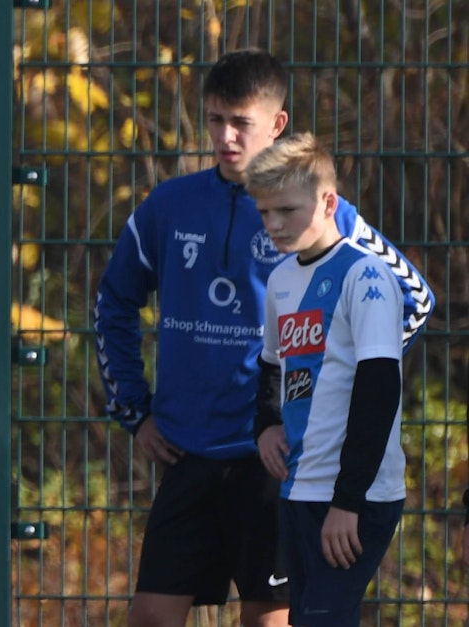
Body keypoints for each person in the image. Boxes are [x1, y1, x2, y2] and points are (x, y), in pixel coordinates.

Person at [93, 49, 430, 627]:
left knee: (269, 618)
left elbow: (414, 300)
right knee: (149, 614)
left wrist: (327, 390)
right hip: (187, 448)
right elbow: (113, 303)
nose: (225, 136)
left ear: (276, 125)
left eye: (241, 122)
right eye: (215, 119)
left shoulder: (321, 213)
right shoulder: (169, 205)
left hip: (275, 461)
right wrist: (134, 409)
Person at [247, 133, 406, 627]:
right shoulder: (280, 281)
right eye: (264, 213)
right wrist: (266, 424)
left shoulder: (368, 276)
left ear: (328, 202)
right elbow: (275, 367)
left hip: (356, 496)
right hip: (299, 489)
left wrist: (348, 499)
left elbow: (380, 388)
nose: (273, 225)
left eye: (287, 211)